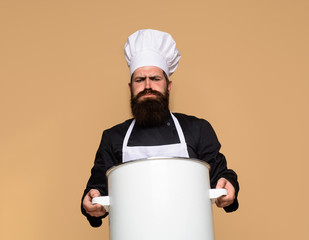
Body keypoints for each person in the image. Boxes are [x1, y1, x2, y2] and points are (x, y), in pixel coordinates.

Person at [81, 29, 239, 227]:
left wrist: (228, 184)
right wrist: (91, 200)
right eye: (140, 79)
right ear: (131, 87)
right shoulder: (113, 137)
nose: (148, 85)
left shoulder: (197, 129)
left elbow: (221, 175)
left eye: (155, 79)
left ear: (169, 86)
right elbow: (97, 188)